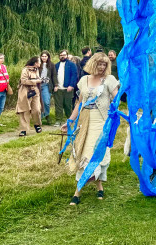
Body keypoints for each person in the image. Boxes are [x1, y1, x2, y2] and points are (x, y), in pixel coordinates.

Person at [68, 52, 120, 205]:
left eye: (105, 64)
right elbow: (79, 103)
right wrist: (70, 121)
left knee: (95, 154)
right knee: (83, 153)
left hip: (101, 122)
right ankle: (99, 187)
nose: (102, 67)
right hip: (84, 122)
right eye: (99, 64)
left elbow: (116, 99)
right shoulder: (84, 80)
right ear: (92, 64)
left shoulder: (109, 80)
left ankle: (77, 192)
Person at [16, 56, 43, 136]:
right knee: (24, 110)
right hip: (25, 91)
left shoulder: (37, 70)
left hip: (35, 91)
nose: (40, 63)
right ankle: (23, 129)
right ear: (35, 63)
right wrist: (37, 81)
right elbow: (23, 81)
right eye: (39, 61)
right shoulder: (25, 70)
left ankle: (37, 124)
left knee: (37, 109)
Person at [54, 49, 79, 125]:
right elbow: (54, 76)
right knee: (58, 105)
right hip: (58, 88)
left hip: (68, 88)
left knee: (68, 105)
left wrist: (71, 85)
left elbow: (74, 75)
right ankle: (58, 120)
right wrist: (55, 85)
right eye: (61, 55)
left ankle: (70, 119)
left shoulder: (71, 64)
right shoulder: (56, 65)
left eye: (64, 55)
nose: (62, 56)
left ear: (67, 56)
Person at [38, 50, 58, 125]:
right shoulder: (38, 64)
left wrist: (56, 85)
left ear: (48, 57)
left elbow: (54, 75)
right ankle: (40, 117)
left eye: (45, 56)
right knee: (39, 102)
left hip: (47, 85)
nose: (44, 58)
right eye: (42, 56)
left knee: (46, 102)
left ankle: (46, 115)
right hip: (38, 85)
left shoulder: (51, 65)